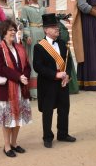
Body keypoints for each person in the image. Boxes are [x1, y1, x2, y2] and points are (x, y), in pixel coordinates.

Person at [33, 13, 76, 148]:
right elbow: (38, 66)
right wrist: (54, 75)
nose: (57, 28)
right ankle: (47, 137)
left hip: (62, 82)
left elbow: (68, 63)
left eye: (57, 26)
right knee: (48, 110)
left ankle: (63, 133)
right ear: (46, 30)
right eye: (53, 27)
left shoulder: (62, 44)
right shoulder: (39, 46)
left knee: (64, 108)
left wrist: (67, 75)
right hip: (48, 83)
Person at [0, 20, 32, 157]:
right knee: (8, 119)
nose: (13, 32)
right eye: (10, 30)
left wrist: (24, 76)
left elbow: (27, 65)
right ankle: (7, 146)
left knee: (18, 116)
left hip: (21, 87)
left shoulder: (19, 47)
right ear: (3, 32)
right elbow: (0, 68)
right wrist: (18, 77)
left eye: (14, 29)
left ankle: (14, 143)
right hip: (7, 89)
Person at [21, 0, 46, 99]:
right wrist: (26, 35)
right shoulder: (25, 9)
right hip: (32, 34)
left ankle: (44, 87)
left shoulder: (43, 9)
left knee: (44, 59)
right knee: (32, 59)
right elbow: (24, 23)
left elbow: (46, 22)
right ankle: (34, 91)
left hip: (42, 34)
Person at [57, 14, 79, 94]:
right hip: (63, 50)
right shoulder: (60, 26)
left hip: (64, 49)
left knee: (68, 68)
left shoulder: (60, 26)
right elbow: (65, 38)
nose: (68, 20)